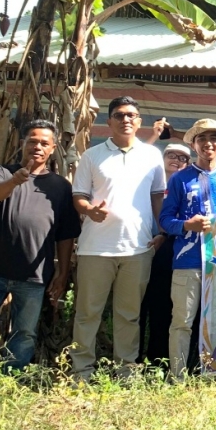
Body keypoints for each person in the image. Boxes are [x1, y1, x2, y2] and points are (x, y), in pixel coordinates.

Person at [71, 96, 167, 380]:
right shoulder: (92, 155)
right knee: (88, 314)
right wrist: (89, 210)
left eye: (132, 115)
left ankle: (125, 371)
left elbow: (157, 196)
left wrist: (161, 231)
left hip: (137, 248)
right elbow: (78, 195)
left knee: (129, 315)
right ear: (109, 121)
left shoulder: (152, 156)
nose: (126, 119)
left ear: (139, 122)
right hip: (94, 249)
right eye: (120, 115)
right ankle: (81, 372)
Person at [159, 119, 216, 379]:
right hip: (188, 262)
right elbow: (165, 220)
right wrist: (187, 225)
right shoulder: (180, 179)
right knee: (182, 321)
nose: (209, 143)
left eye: (214, 138)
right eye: (202, 138)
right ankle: (178, 376)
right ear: (194, 144)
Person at [0, 120, 80, 369]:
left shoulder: (60, 187)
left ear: (53, 148)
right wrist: (15, 181)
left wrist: (62, 273)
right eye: (32, 141)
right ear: (22, 143)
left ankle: (10, 378)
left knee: (24, 334)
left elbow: (65, 236)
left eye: (44, 143)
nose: (37, 146)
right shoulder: (3, 172)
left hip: (33, 276)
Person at [140, 142, 192, 364]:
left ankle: (157, 359)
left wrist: (165, 235)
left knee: (163, 307)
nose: (176, 160)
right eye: (171, 155)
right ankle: (131, 359)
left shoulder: (188, 186)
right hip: (139, 249)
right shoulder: (145, 182)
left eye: (182, 158)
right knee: (138, 308)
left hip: (169, 253)